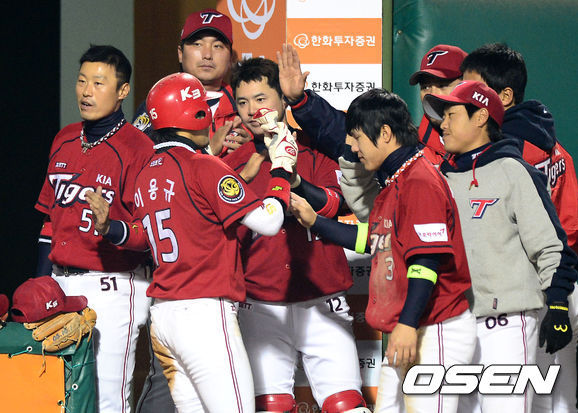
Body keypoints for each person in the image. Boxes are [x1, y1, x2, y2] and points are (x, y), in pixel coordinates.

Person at [86, 72, 298, 412]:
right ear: (197, 114)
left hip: (164, 318)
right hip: (203, 315)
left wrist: (111, 227)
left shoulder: (146, 172)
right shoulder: (203, 165)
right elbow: (269, 221)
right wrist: (282, 171)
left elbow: (143, 237)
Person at [289, 88, 476, 413]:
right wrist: (315, 222)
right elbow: (374, 240)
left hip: (435, 330)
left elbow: (426, 262)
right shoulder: (396, 181)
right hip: (415, 327)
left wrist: (407, 325)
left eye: (357, 137)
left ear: (385, 133)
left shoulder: (419, 181)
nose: (351, 146)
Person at [223, 57, 370, 412]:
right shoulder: (232, 165)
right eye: (242, 102)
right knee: (269, 407)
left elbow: (338, 204)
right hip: (260, 305)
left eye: (261, 98)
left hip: (323, 300)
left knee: (347, 407)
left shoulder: (314, 148)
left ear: (283, 100)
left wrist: (296, 181)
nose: (252, 111)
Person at [422, 80, 578, 413]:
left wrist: (558, 305)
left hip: (505, 325)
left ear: (480, 117)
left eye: (451, 115)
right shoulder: (437, 179)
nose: (442, 124)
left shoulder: (513, 171)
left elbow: (550, 247)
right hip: (454, 327)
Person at [459, 43, 578, 413]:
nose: (463, 94)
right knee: (556, 399)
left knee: (525, 400)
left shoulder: (501, 155)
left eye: (473, 88)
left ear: (505, 96)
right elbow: (572, 226)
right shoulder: (556, 149)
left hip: (528, 292)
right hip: (561, 286)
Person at [35, 45, 154, 413]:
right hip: (60, 282)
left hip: (113, 287)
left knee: (105, 401)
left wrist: (111, 226)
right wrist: (40, 284)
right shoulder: (64, 139)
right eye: (82, 81)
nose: (86, 91)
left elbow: (150, 233)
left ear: (122, 91)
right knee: (57, 397)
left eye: (99, 83)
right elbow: (49, 221)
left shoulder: (139, 148)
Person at [277, 43, 467, 222]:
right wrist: (301, 102)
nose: (432, 93)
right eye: (425, 86)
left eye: (443, 84)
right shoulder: (407, 148)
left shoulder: (483, 145)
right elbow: (343, 132)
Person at [132, 8, 251, 156]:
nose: (207, 55)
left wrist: (249, 151)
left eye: (217, 46)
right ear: (180, 54)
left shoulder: (246, 106)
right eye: (197, 44)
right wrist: (208, 152)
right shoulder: (159, 103)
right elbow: (139, 160)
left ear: (231, 58)